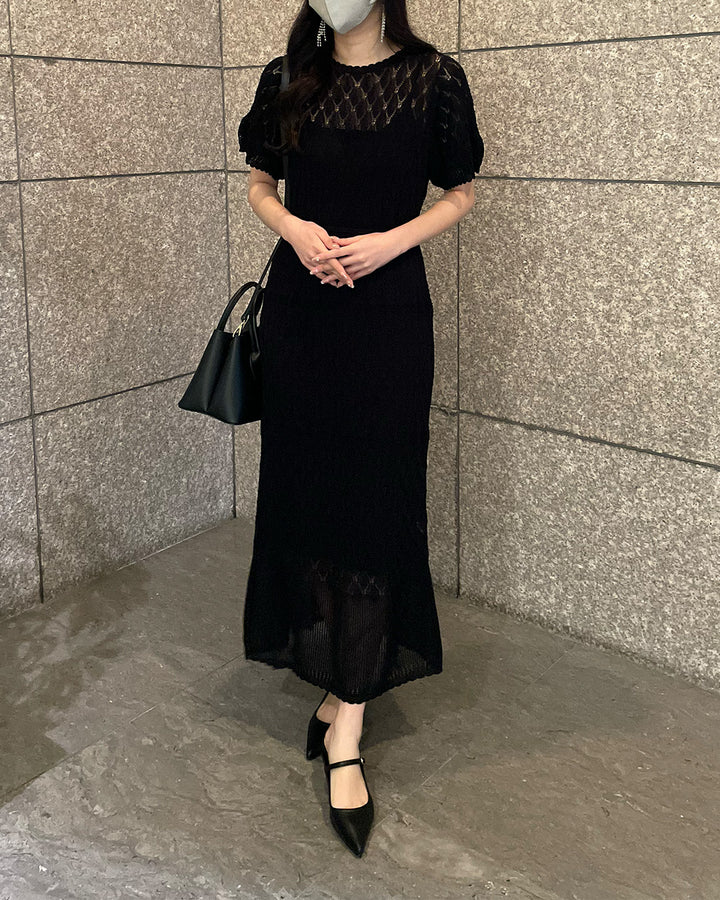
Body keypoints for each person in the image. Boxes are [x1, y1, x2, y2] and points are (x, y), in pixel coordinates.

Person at [237, 0, 484, 857]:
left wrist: (389, 243)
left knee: (377, 498)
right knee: (307, 493)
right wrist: (293, 229)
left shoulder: (433, 78)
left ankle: (348, 716)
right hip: (302, 312)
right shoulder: (286, 76)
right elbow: (260, 183)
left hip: (387, 314)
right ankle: (335, 679)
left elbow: (462, 192)